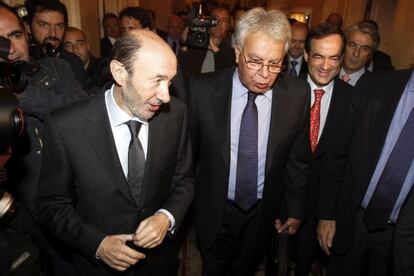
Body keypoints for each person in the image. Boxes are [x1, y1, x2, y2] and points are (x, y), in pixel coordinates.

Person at [35, 29, 194, 275]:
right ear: (120, 73)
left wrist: (166, 217)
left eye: (170, 82)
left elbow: (184, 181)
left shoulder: (176, 115)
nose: (165, 96)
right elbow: (51, 205)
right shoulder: (66, 126)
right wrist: (97, 243)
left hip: (159, 264)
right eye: (156, 80)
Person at [190, 8, 310, 275]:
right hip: (215, 209)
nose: (265, 73)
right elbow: (188, 157)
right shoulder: (202, 89)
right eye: (255, 61)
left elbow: (297, 158)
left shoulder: (298, 94)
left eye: (275, 63)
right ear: (237, 53)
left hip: (262, 213)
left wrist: (296, 207)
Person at [0, 2, 85, 213]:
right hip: (17, 217)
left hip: (69, 206)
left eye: (16, 35)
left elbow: (83, 115)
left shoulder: (56, 69)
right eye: (0, 41)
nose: (10, 49)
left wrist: (25, 97)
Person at [329, 68, 414, 276]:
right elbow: (338, 154)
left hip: (400, 239)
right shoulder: (375, 84)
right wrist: (326, 214)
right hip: (351, 219)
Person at [292, 22, 355, 276]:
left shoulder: (352, 99)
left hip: (322, 203)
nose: (326, 66)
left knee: (305, 262)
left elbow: (341, 161)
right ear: (306, 55)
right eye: (318, 56)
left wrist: (328, 213)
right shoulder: (283, 90)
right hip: (282, 200)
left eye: (334, 58)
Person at [23, 0, 87, 89]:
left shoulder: (73, 62)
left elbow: (82, 101)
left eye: (59, 26)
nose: (53, 33)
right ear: (28, 27)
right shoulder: (22, 61)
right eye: (44, 25)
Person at [179, 6, 235, 85]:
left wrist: (212, 46)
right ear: (208, 22)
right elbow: (182, 72)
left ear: (228, 26)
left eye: (224, 20)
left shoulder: (230, 51)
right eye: (215, 19)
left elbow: (229, 67)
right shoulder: (196, 45)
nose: (218, 23)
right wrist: (184, 43)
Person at [63, 26, 111, 92]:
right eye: (68, 46)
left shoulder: (104, 66)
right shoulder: (61, 74)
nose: (75, 49)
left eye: (80, 44)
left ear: (88, 46)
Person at [339, 21, 378, 86]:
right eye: (352, 45)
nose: (356, 53)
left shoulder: (374, 87)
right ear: (343, 46)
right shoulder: (324, 74)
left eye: (364, 48)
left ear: (370, 54)